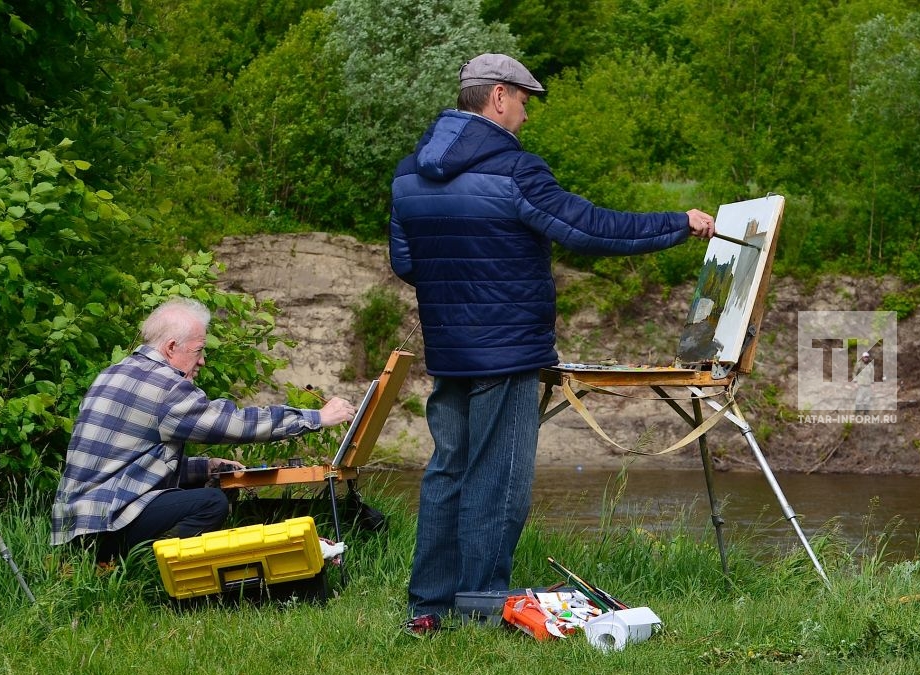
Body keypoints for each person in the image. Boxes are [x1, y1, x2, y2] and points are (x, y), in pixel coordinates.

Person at [389, 53, 717, 636]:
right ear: (497, 96)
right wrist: (676, 224)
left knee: (448, 469)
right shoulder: (514, 171)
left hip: (450, 350)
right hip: (509, 350)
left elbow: (407, 261)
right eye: (523, 101)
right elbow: (589, 228)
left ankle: (428, 607)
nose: (525, 115)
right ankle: (485, 603)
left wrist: (462, 290)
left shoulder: (409, 174)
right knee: (502, 476)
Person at [51, 297, 356, 561]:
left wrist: (204, 467)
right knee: (211, 503)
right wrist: (316, 417)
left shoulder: (113, 373)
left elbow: (130, 467)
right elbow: (235, 424)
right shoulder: (165, 386)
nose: (203, 361)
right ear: (171, 347)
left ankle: (120, 559)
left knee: (207, 485)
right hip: (106, 525)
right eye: (198, 350)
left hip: (76, 524)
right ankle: (149, 569)